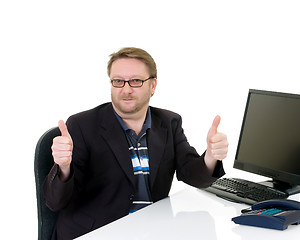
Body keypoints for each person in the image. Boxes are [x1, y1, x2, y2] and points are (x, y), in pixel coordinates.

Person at [43, 47, 228, 240]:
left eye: (136, 81)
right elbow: (55, 202)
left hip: (150, 230)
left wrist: (211, 157)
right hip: (96, 232)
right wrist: (63, 167)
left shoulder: (169, 122)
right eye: (118, 81)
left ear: (153, 85)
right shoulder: (82, 125)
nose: (126, 89)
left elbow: (193, 175)